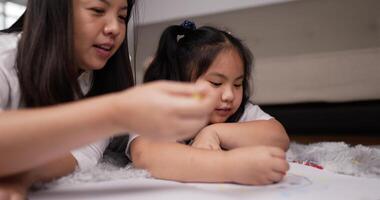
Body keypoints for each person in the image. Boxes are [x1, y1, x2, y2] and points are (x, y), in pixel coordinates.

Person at [0, 1, 218, 198]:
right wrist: (117, 113)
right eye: (97, 10)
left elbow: (78, 155)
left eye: (122, 17)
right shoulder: (6, 58)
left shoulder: (101, 80)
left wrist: (21, 176)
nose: (114, 28)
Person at [128, 20, 290, 185]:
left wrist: (215, 132)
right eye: (216, 83)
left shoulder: (237, 111)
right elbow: (145, 155)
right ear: (181, 83)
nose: (229, 95)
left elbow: (279, 138)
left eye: (237, 84)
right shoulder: (161, 111)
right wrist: (230, 166)